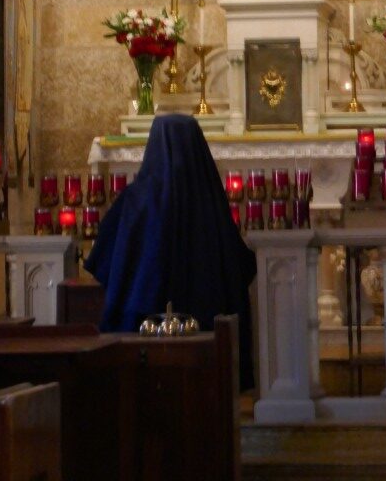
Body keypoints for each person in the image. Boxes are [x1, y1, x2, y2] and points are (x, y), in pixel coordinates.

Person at [84, 113, 257, 388]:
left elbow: (104, 263)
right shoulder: (211, 201)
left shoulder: (135, 200)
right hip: (206, 349)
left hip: (141, 339)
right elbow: (240, 266)